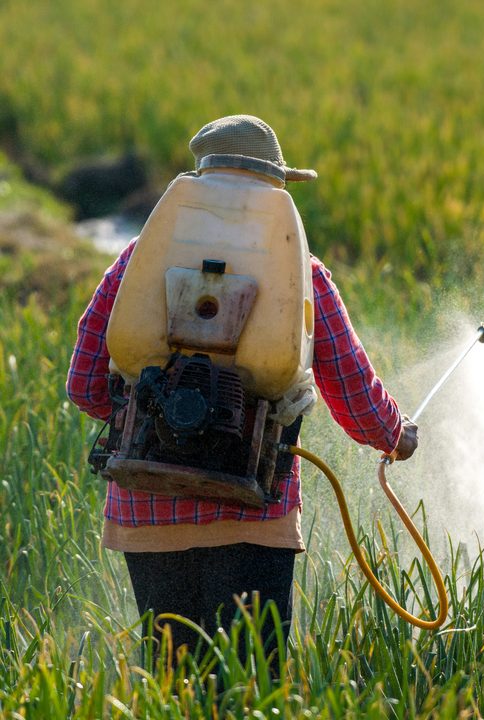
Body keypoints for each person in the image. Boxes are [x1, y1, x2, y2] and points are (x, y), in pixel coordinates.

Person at [66, 114, 418, 670]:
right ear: (275, 187)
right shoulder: (301, 273)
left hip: (146, 512)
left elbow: (84, 383)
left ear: (201, 179)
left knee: (172, 688)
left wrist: (155, 402)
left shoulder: (138, 260)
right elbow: (352, 390)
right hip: (254, 511)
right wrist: (396, 435)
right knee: (251, 687)